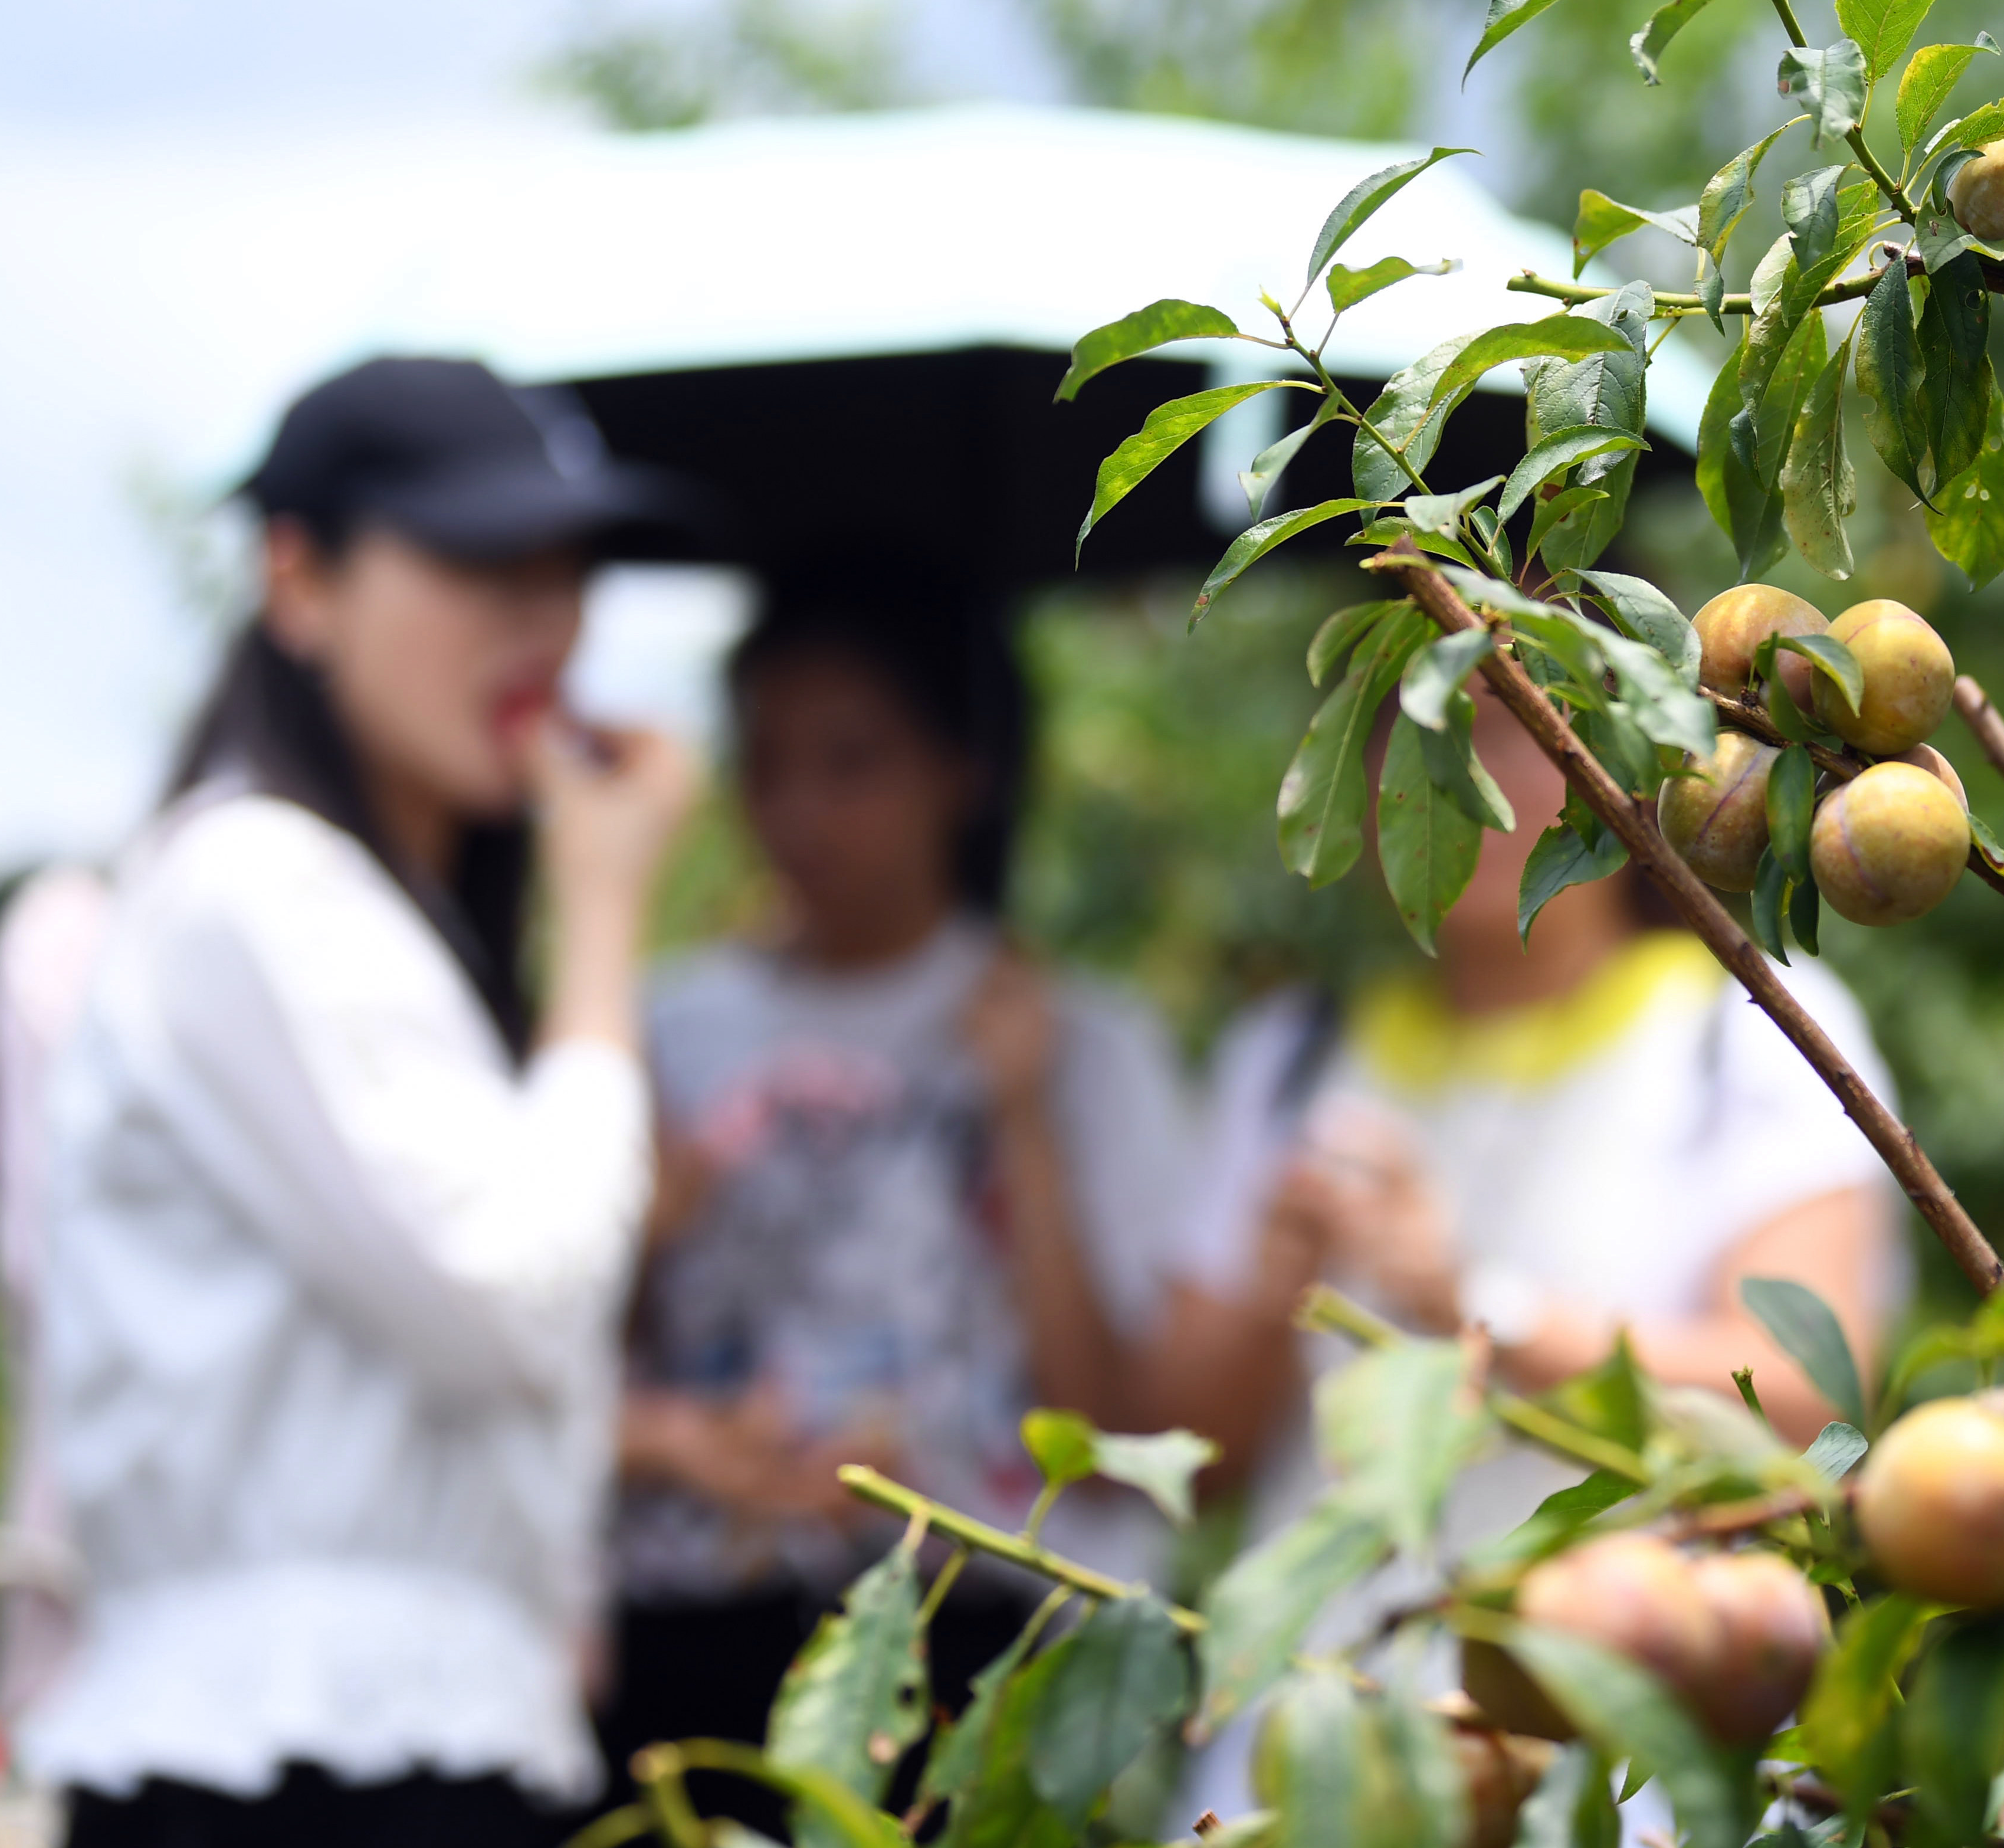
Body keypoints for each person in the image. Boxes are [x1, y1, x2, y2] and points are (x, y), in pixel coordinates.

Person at [17, 356, 701, 1847]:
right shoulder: (255, 885)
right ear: (299, 580)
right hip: (298, 1760)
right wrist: (602, 930)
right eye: (477, 560)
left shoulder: (361, 906)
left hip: (382, 1745)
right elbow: (514, 1299)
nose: (543, 620)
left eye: (566, 568)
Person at [598, 571, 1320, 1818]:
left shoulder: (1084, 1039)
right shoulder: (664, 1026)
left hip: (979, 1643)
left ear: (963, 770)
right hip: (692, 1637)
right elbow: (575, 1365)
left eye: (852, 762)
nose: (798, 810)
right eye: (767, 764)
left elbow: (1117, 1439)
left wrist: (1026, 1124)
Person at [1173, 686, 1908, 1826]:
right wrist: (1276, 1281)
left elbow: (1807, 1408)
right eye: (1415, 728)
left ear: (1612, 758)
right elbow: (1192, 1461)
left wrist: (1478, 1307)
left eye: (1505, 728)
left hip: (1631, 1762)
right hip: (1314, 1738)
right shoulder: (1292, 1059)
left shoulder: (1747, 1033)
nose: (1458, 774)